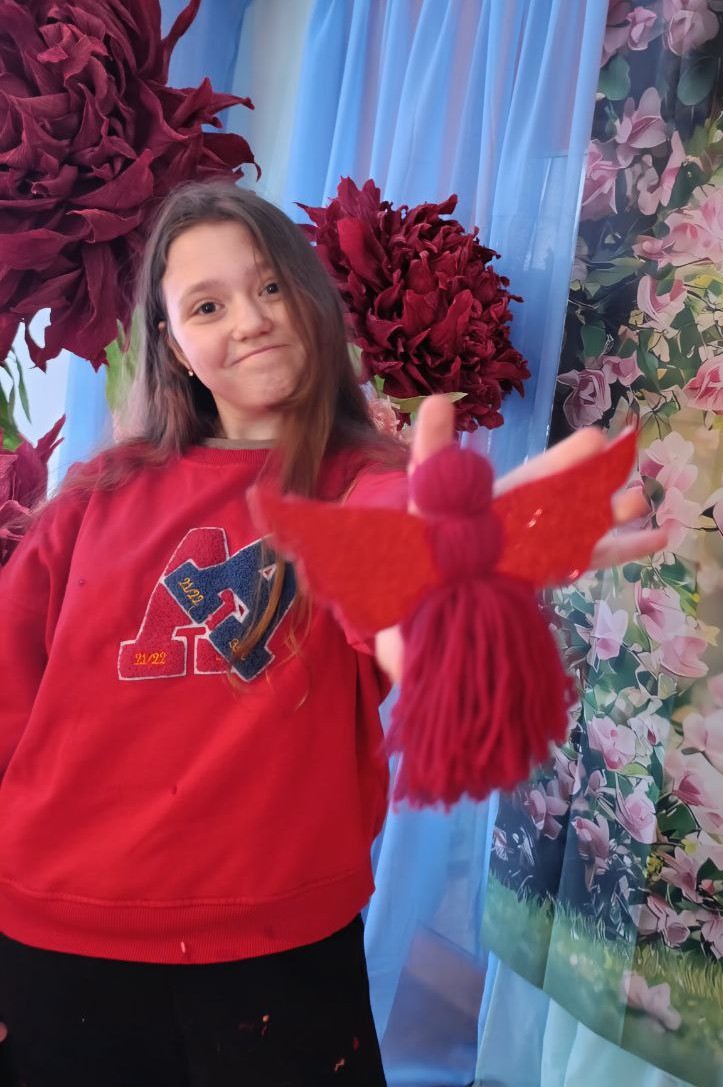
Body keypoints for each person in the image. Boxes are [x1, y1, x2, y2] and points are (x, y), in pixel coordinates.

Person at [0, 180, 665, 1087]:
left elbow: (393, 564)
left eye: (271, 286)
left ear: (312, 299)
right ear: (173, 343)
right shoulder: (95, 495)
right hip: (53, 936)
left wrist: (447, 572)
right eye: (207, 305)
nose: (251, 319)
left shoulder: (363, 481)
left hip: (280, 952)